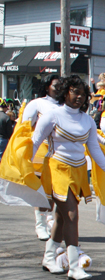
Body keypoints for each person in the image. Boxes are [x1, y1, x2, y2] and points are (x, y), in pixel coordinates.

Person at [32, 75, 105, 280]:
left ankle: (49, 258)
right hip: (56, 169)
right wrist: (27, 168)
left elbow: (94, 149)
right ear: (66, 92)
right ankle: (74, 266)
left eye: (83, 94)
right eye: (75, 92)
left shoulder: (87, 120)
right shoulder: (52, 116)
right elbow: (35, 142)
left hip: (79, 171)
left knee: (61, 217)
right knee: (72, 215)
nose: (79, 97)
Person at [21, 74, 61, 241]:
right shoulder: (37, 104)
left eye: (61, 86)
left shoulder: (65, 105)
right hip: (40, 150)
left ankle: (49, 219)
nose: (58, 89)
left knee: (53, 190)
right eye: (55, 86)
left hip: (58, 152)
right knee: (43, 190)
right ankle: (40, 224)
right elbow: (25, 127)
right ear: (47, 87)